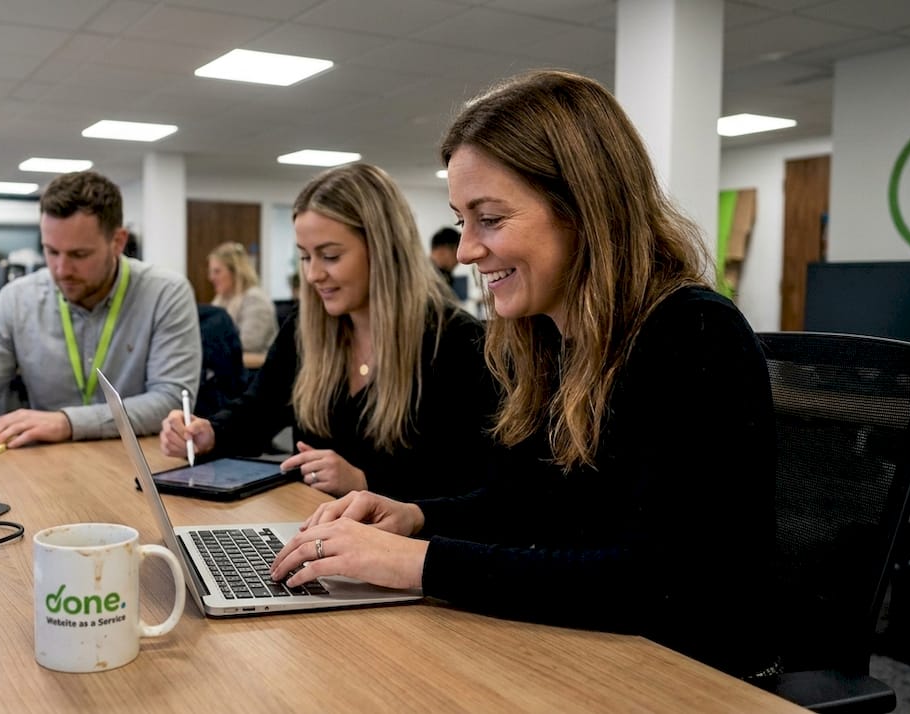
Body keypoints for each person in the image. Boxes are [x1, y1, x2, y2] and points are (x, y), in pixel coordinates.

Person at [270, 70, 777, 679]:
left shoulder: (693, 334)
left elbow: (658, 581)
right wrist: (415, 516)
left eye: (490, 218)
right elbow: (521, 503)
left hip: (687, 670)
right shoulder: (544, 339)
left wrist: (417, 562)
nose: (464, 252)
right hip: (589, 647)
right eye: (462, 221)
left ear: (581, 209)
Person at [160, 163, 497, 502]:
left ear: (383, 250)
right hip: (310, 530)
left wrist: (365, 481)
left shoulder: (455, 342)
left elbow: (471, 483)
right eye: (306, 258)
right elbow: (258, 412)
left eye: (330, 256)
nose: (313, 274)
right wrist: (209, 433)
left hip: (399, 546)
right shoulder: (306, 328)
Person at [0, 170, 201, 448]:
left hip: (136, 463)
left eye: (79, 254)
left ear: (118, 242)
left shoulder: (165, 293)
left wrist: (68, 423)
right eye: (51, 251)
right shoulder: (17, 299)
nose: (62, 270)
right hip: (48, 468)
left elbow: (171, 400)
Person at [207, 241, 279, 355]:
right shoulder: (220, 300)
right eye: (211, 272)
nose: (211, 278)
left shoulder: (255, 299)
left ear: (236, 272)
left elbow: (247, 344)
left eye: (217, 272)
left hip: (253, 369)